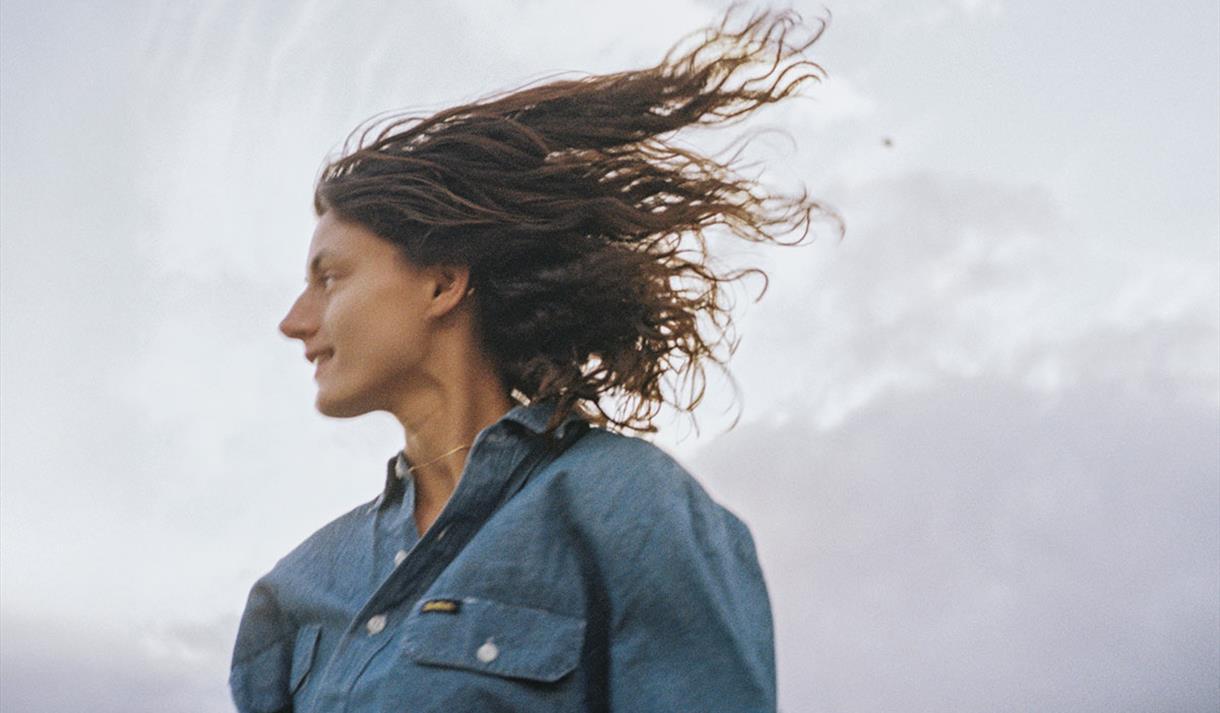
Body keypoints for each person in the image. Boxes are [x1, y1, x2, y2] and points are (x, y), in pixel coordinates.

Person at [229, 7, 837, 712]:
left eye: (329, 277)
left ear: (441, 282)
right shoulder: (295, 593)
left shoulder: (630, 508)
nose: (293, 320)